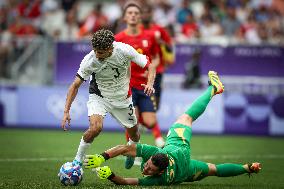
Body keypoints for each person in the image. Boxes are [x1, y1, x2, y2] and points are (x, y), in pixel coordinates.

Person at [83, 71, 262, 186]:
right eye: (147, 165)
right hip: (181, 153)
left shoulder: (159, 178)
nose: (145, 169)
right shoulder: (157, 162)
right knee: (187, 118)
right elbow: (125, 150)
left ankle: (247, 167)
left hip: (187, 172)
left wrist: (109, 173)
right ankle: (213, 90)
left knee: (213, 169)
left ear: (159, 172)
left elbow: (125, 181)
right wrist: (102, 158)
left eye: (149, 169)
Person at [61, 29, 156, 167]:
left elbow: (150, 65)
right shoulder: (90, 60)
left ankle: (131, 149)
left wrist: (149, 83)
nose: (97, 55)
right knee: (95, 128)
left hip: (122, 99)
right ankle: (77, 161)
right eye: (95, 50)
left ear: (110, 48)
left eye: (100, 52)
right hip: (99, 97)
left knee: (135, 134)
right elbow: (75, 85)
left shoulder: (124, 50)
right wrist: (66, 111)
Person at [115, 2, 164, 151]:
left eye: (136, 13)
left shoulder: (149, 36)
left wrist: (151, 68)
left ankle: (138, 133)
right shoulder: (118, 38)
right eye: (130, 13)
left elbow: (156, 57)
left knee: (150, 122)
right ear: (124, 17)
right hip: (127, 86)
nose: (133, 15)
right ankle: (131, 151)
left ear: (140, 17)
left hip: (145, 86)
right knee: (132, 122)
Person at [141, 3, 175, 147]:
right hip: (142, 73)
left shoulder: (159, 30)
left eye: (148, 13)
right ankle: (157, 138)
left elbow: (169, 47)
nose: (145, 15)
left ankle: (142, 127)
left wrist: (161, 42)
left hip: (158, 71)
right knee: (147, 103)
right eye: (143, 13)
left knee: (156, 105)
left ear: (151, 14)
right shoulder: (137, 31)